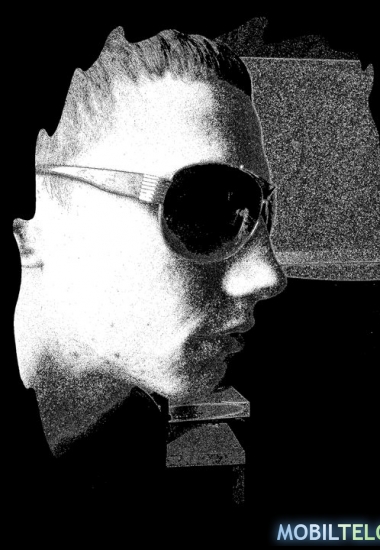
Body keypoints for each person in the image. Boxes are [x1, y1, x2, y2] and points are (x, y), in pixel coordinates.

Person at [12, 27, 286, 528]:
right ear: (27, 228)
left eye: (257, 216)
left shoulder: (132, 424)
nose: (268, 276)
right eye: (203, 209)